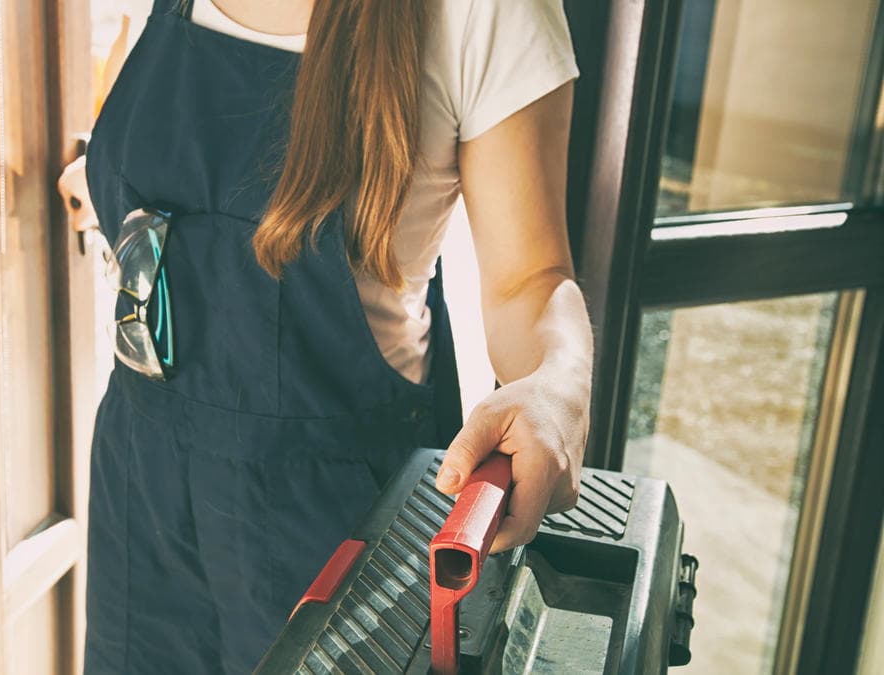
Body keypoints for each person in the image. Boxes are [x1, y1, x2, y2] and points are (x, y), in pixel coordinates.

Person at [57, 0, 592, 672]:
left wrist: (558, 382)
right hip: (140, 482)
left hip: (334, 511)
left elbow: (529, 278)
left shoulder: (485, 11)